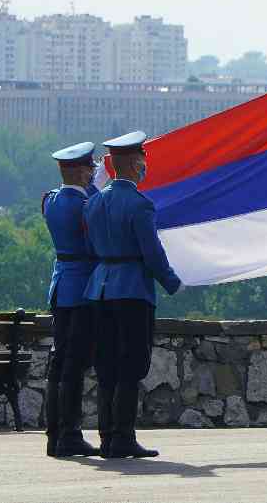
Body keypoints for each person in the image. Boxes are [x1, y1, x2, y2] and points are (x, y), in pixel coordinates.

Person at [83, 131, 184, 459]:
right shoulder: (140, 204)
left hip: (99, 289)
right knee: (131, 365)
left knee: (107, 365)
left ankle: (107, 437)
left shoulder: (94, 202)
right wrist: (172, 281)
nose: (144, 166)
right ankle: (123, 436)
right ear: (129, 163)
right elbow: (151, 253)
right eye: (141, 160)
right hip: (132, 291)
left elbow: (90, 247)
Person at [41, 141, 101, 457]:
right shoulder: (86, 206)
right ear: (80, 171)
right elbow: (95, 244)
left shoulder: (50, 201)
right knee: (73, 366)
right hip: (81, 290)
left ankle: (55, 434)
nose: (93, 173)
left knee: (59, 363)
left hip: (61, 287)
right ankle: (70, 433)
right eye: (90, 168)